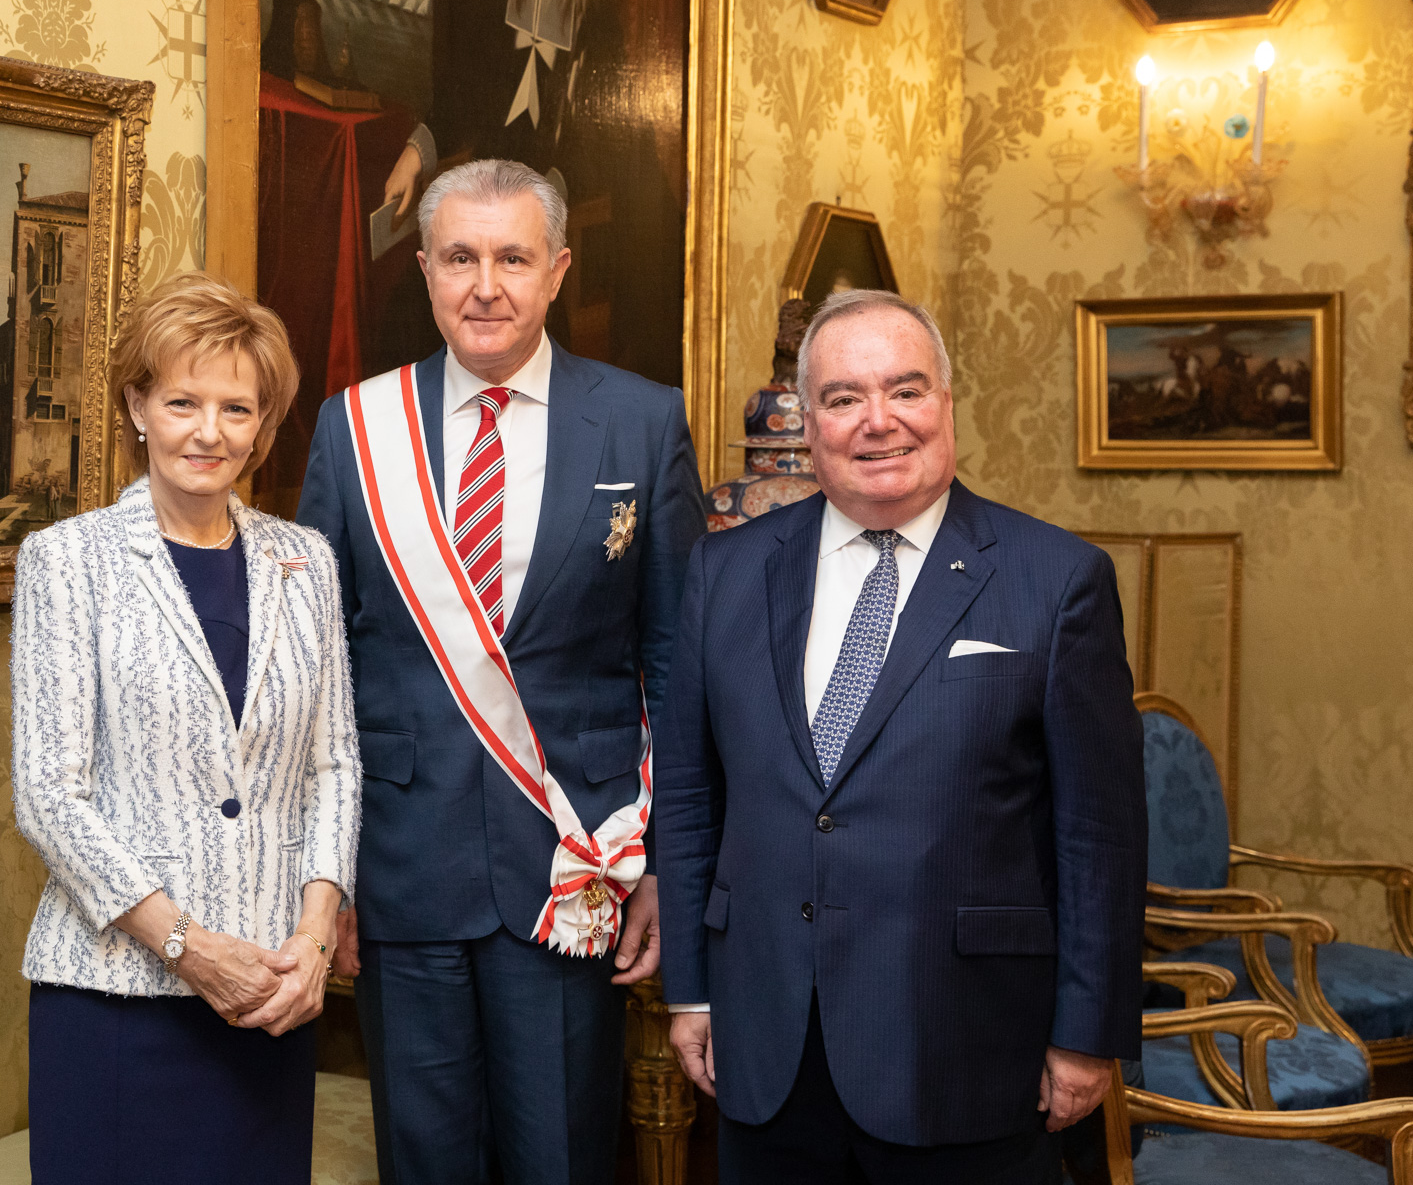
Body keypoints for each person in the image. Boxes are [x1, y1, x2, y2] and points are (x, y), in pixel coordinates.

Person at [656, 290, 1147, 1184]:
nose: (878, 422)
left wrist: (1087, 1034)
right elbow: (690, 800)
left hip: (967, 1051)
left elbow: (1098, 836)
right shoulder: (723, 572)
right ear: (808, 423)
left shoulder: (1058, 579)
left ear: (947, 405)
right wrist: (690, 988)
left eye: (906, 391)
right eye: (844, 398)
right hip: (767, 1046)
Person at [297, 158, 705, 1184]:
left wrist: (666, 858)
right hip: (402, 863)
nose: (487, 286)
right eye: (461, 258)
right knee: (423, 1160)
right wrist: (323, 876)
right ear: (427, 272)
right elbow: (318, 669)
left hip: (573, 857)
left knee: (560, 1157)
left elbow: (676, 658)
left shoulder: (643, 422)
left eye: (513, 257)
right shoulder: (356, 429)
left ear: (558, 270)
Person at [10, 272, 361, 1184]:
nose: (209, 432)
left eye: (236, 408)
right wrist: (189, 949)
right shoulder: (67, 561)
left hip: (273, 1000)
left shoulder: (306, 561)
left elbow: (335, 764)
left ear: (264, 423)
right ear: (137, 405)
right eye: (182, 402)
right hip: (118, 998)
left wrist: (315, 941)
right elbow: (50, 796)